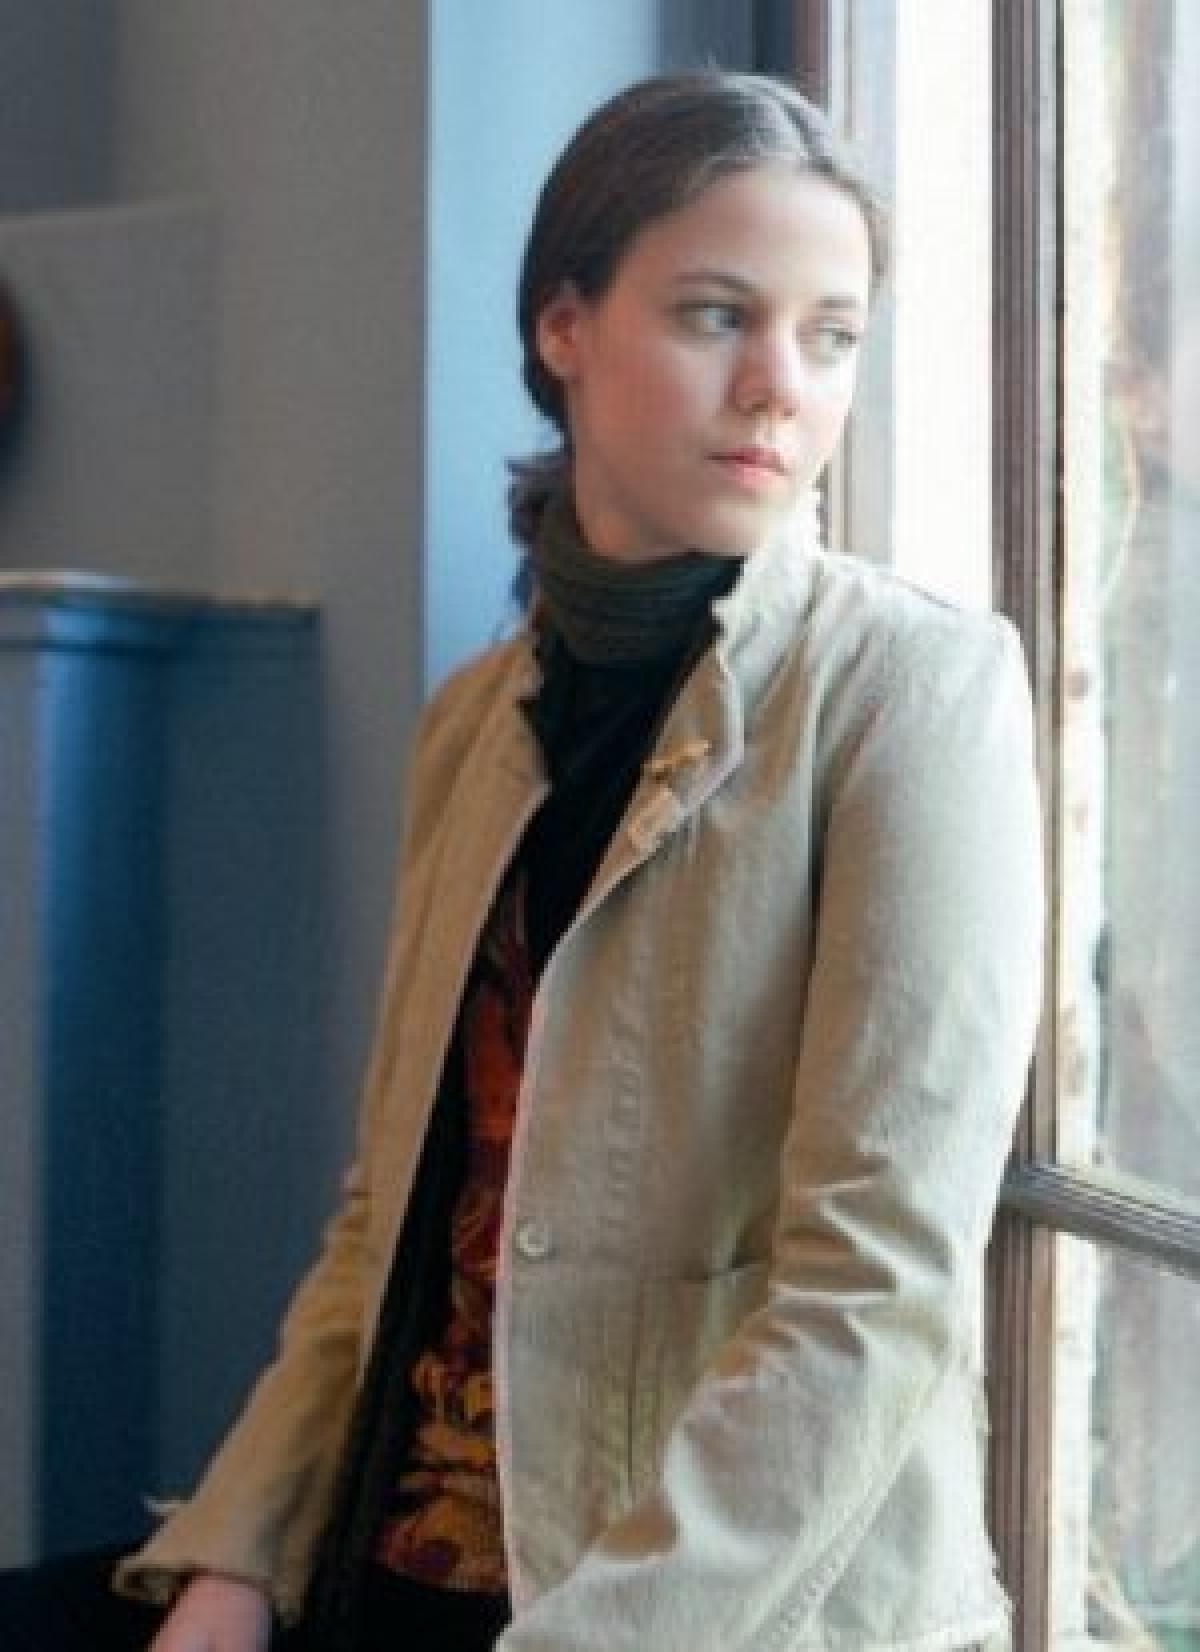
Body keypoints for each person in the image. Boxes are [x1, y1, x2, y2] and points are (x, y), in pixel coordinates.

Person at [0, 69, 1043, 1652]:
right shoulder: (478, 720)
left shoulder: (913, 692)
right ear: (565, 326)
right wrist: (237, 1555)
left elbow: (875, 1290)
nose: (781, 387)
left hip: (682, 1610)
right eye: (716, 315)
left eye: (831, 335)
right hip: (394, 1545)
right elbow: (390, 1215)